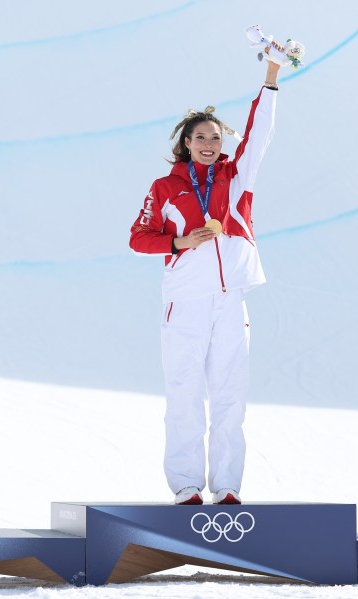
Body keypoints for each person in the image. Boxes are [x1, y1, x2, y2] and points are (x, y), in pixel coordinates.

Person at [129, 54, 286, 505]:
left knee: (230, 396)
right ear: (186, 143)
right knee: (184, 392)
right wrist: (179, 243)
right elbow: (138, 238)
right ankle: (185, 485)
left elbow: (260, 134)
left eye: (216, 138)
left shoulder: (238, 177)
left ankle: (228, 484)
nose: (209, 144)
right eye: (200, 137)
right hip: (186, 301)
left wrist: (271, 80)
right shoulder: (165, 187)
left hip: (231, 299)